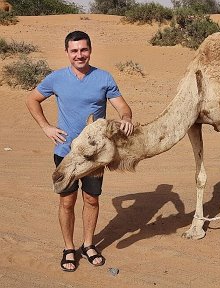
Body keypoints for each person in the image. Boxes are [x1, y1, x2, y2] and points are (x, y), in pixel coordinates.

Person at [26, 31, 134, 272]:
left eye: (83, 50)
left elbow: (123, 107)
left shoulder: (104, 78)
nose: (79, 55)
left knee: (92, 199)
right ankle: (68, 247)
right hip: (65, 152)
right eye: (74, 51)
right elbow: (32, 99)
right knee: (67, 202)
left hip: (95, 155)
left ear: (90, 50)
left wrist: (126, 118)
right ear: (67, 52)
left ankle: (88, 244)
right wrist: (46, 127)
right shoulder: (56, 79)